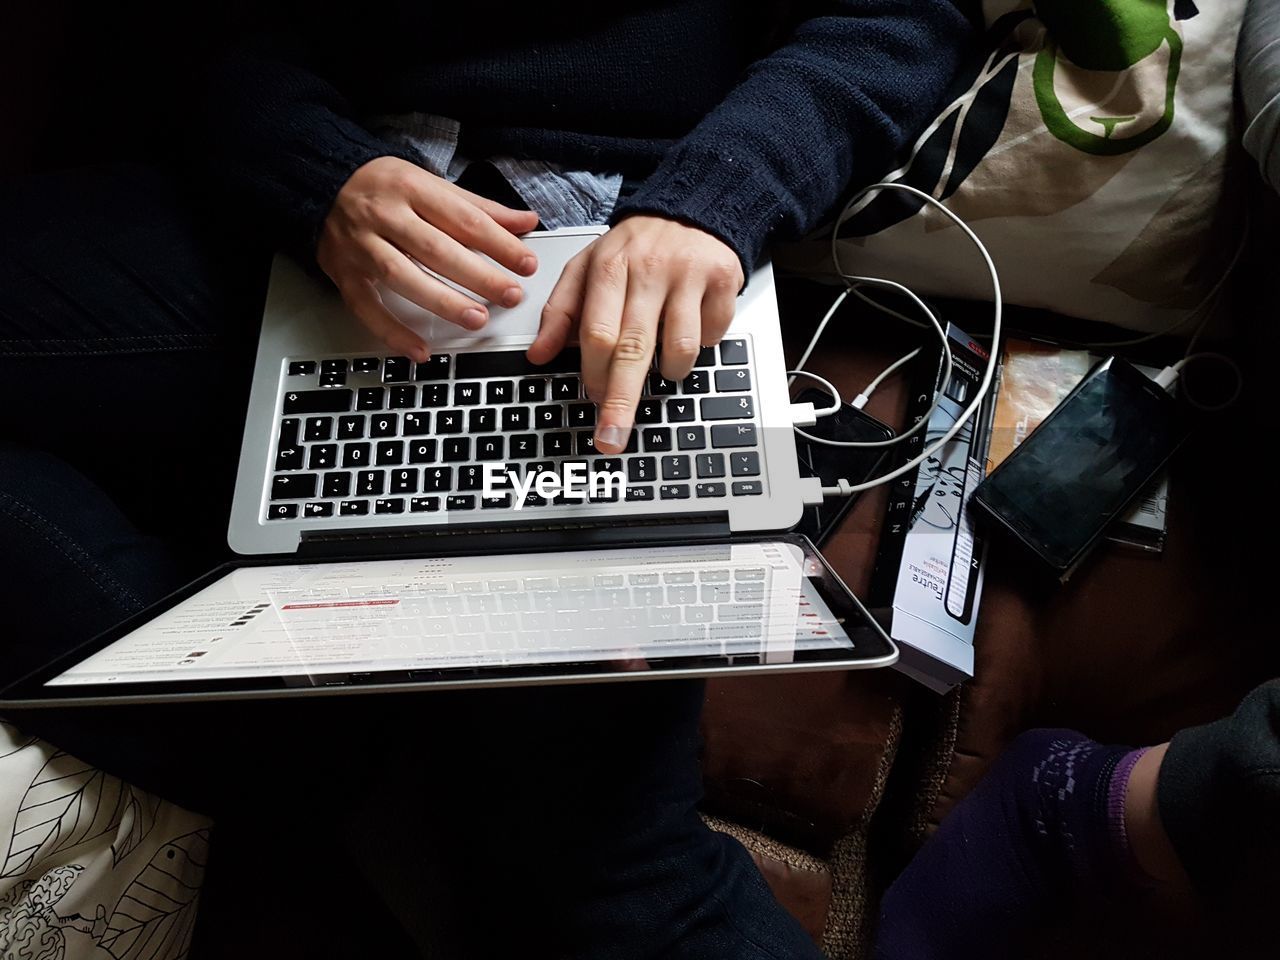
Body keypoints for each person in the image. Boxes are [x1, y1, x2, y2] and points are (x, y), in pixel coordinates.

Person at [1, 1, 980, 955]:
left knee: (614, 879)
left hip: (613, 246)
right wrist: (324, 174)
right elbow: (197, 31)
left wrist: (712, 205)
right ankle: (283, 743)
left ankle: (307, 752)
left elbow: (902, 14)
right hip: (302, 216)